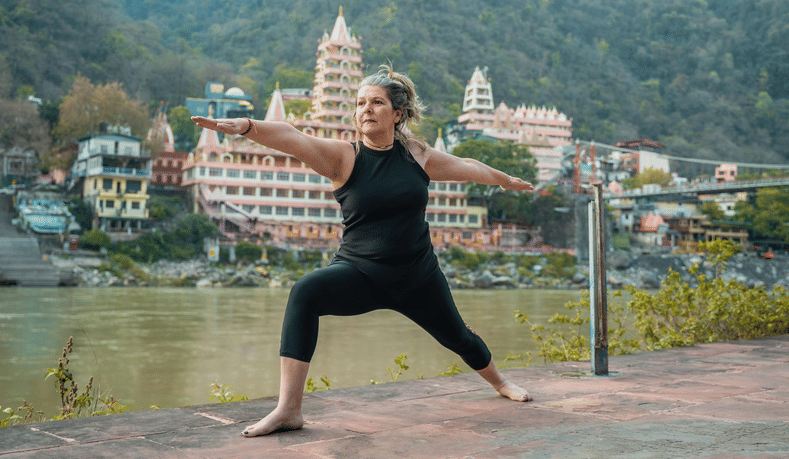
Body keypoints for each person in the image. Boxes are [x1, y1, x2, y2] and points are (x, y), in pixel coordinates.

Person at [191, 66, 534, 438]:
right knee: (304, 292)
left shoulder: (417, 155)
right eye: (360, 103)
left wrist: (506, 180)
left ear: (397, 114)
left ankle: (500, 383)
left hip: (418, 277)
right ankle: (289, 409)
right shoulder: (343, 157)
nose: (366, 109)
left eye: (377, 102)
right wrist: (246, 126)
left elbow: (467, 167)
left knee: (459, 338)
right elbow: (292, 137)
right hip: (360, 273)